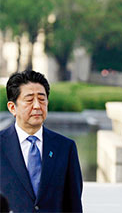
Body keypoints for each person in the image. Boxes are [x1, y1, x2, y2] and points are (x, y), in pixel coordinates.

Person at [0, 70, 83, 212]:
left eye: (42, 99)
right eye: (29, 99)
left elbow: (73, 204)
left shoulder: (65, 147)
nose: (37, 106)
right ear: (12, 107)